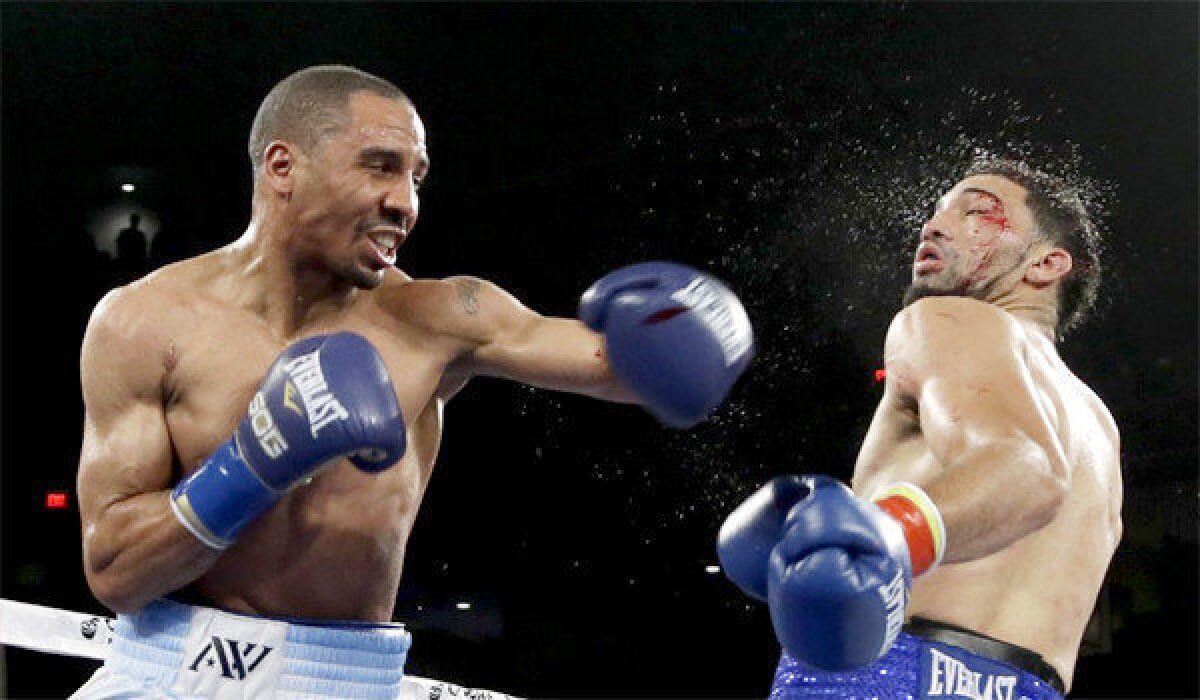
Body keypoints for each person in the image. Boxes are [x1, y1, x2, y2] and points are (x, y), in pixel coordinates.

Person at [73, 64, 753, 699]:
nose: (404, 203)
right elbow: (114, 572)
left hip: (336, 680)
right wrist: (252, 463)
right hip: (158, 672)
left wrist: (690, 336)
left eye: (417, 178)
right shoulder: (144, 320)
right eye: (380, 166)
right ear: (283, 166)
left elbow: (611, 365)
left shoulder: (438, 318)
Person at [718, 159, 1120, 698]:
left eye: (977, 213)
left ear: (1047, 265)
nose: (934, 226)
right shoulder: (1098, 424)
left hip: (888, 671)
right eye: (937, 212)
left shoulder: (944, 318)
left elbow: (1029, 471)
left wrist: (882, 536)